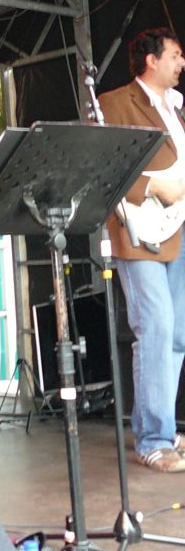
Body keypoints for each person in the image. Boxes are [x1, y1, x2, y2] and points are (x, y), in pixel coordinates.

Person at [99, 27, 185, 473]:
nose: (181, 63)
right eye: (175, 55)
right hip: (141, 231)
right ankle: (153, 440)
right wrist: (154, 187)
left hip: (178, 229)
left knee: (177, 334)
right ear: (151, 60)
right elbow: (104, 165)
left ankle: (163, 428)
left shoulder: (176, 107)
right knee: (155, 326)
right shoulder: (115, 102)